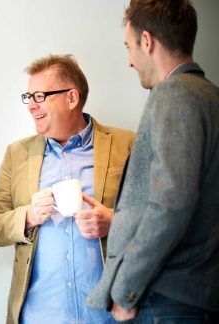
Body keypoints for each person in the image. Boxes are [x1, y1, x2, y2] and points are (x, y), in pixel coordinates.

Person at [86, 0, 219, 322]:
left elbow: (170, 204)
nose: (130, 61)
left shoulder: (173, 95)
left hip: (166, 298)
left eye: (129, 47)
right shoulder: (211, 97)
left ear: (147, 41)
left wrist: (126, 289)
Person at [0, 54, 135, 324]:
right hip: (40, 316)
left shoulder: (128, 143)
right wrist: (27, 216)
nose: (31, 106)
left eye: (39, 96)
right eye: (28, 98)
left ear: (72, 98)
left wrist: (114, 222)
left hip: (109, 316)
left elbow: (160, 217)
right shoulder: (17, 154)